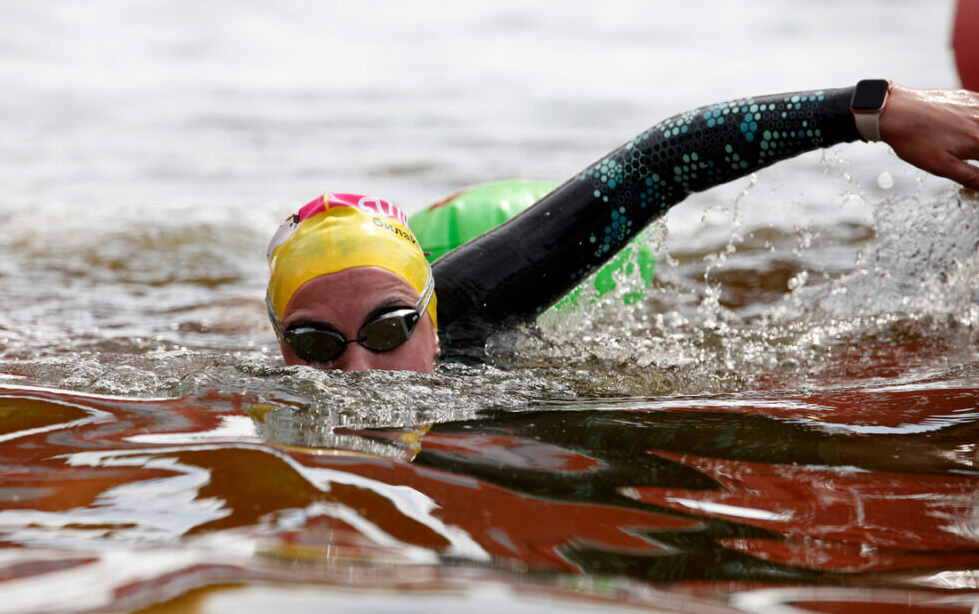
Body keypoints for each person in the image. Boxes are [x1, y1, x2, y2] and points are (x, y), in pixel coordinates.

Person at [266, 81, 979, 373]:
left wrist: (875, 110)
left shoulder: (475, 303)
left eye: (390, 329)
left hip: (518, 231)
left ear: (434, 320)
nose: (357, 374)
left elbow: (661, 162)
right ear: (278, 343)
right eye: (315, 344)